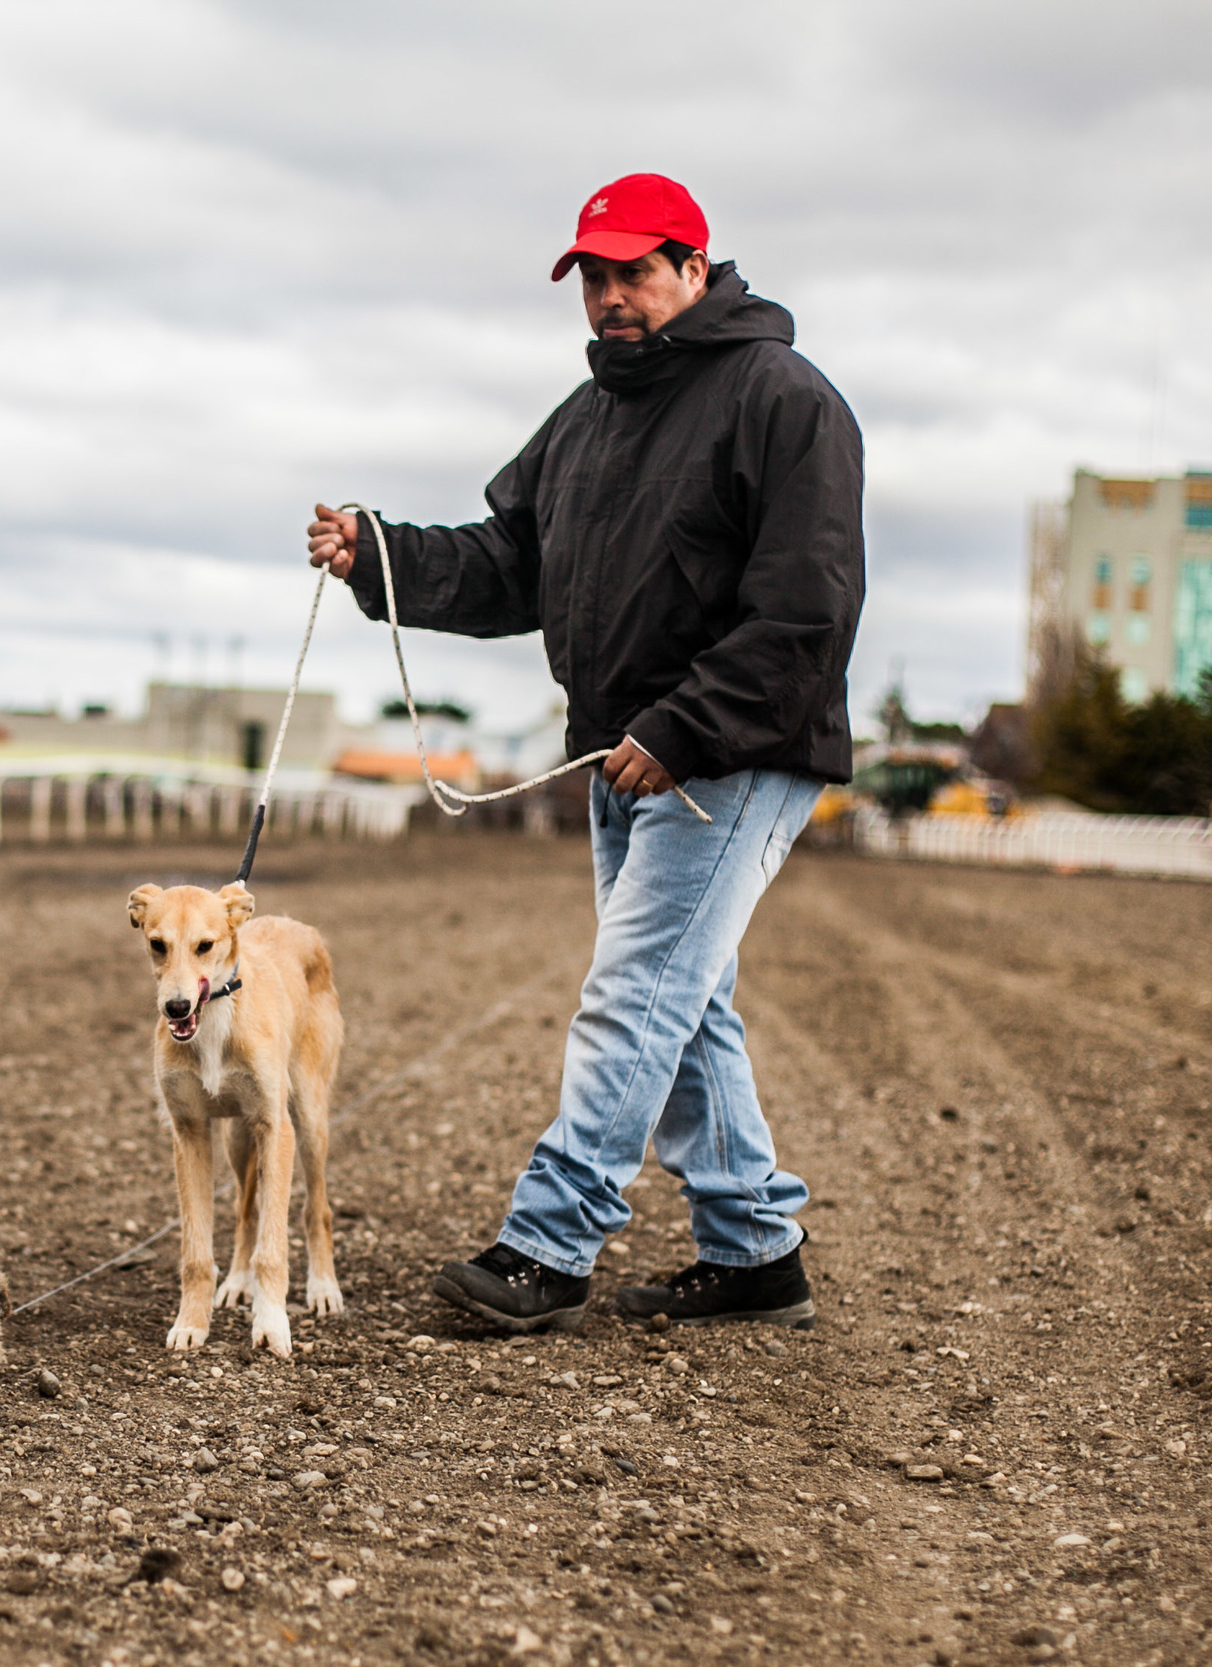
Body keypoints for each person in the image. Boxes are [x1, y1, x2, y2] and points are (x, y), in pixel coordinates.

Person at [306, 174, 863, 1332]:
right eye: (595, 278)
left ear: (693, 271)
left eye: (635, 273)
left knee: (634, 995)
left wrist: (682, 726)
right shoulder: (587, 415)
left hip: (731, 753)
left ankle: (549, 1247)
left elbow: (805, 609)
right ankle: (755, 1248)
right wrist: (380, 556)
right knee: (682, 1000)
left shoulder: (784, 400)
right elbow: (514, 561)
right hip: (618, 754)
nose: (611, 297)